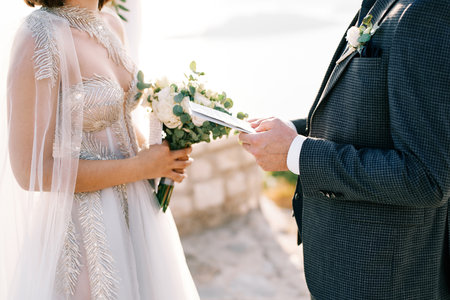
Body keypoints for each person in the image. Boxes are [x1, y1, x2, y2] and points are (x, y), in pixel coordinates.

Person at [240, 0, 450, 299]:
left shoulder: (426, 12)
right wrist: (293, 129)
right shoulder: (382, 4)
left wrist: (298, 153)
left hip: (381, 280)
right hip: (342, 267)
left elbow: (426, 177)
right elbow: (368, 121)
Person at [1, 0, 200, 299]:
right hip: (85, 234)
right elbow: (31, 171)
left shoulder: (111, 23)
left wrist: (162, 153)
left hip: (140, 217)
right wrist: (141, 167)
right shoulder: (38, 38)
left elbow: (117, 119)